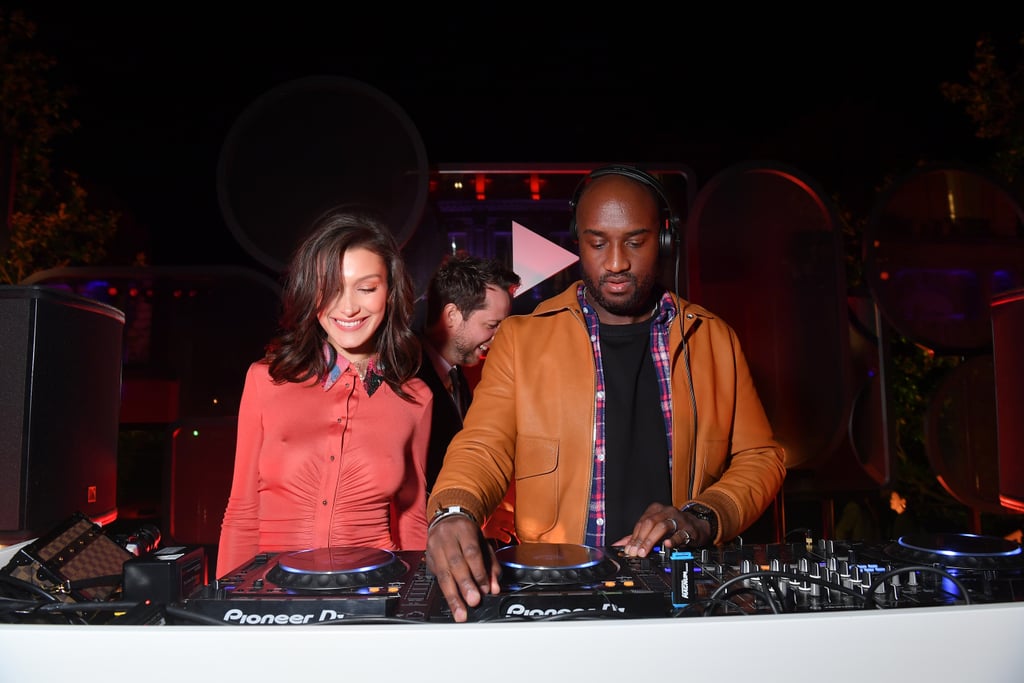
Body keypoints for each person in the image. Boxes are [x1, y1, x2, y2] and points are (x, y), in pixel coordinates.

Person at [424, 165, 787, 622]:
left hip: (683, 601)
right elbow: (484, 444)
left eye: (635, 242)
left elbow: (761, 456)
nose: (616, 262)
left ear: (665, 240)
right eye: (598, 243)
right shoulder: (522, 338)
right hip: (558, 599)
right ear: (578, 243)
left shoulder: (713, 339)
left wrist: (703, 515)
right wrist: (454, 508)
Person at [216, 206, 433, 578]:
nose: (348, 306)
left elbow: (413, 522)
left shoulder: (416, 398)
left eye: (366, 288)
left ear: (390, 293)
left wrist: (417, 608)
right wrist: (228, 605)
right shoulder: (266, 380)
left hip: (372, 597)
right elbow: (241, 511)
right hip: (274, 598)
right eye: (330, 288)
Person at [416, 254, 521, 493]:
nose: (498, 338)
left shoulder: (458, 377)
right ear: (452, 315)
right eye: (492, 325)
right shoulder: (405, 377)